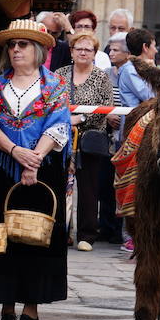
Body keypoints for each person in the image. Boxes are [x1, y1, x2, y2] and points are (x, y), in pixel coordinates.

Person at [0, 19, 71, 320]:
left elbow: (59, 124)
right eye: (12, 45)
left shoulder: (54, 86)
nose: (16, 50)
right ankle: (6, 308)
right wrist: (15, 151)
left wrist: (35, 159)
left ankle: (30, 311)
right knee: (4, 236)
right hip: (3, 169)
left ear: (38, 51)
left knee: (37, 238)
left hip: (43, 173)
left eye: (23, 45)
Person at [55, 30, 116, 251]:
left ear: (94, 53)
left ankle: (86, 235)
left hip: (90, 138)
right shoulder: (60, 74)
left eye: (87, 49)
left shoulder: (101, 77)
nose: (82, 52)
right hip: (61, 137)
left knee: (89, 189)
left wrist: (80, 117)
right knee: (60, 185)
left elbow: (107, 107)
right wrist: (66, 119)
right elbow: (51, 103)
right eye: (78, 48)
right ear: (71, 51)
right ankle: (61, 232)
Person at [117, 27, 157, 110]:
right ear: (145, 47)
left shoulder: (137, 67)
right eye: (154, 46)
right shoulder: (130, 70)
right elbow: (150, 97)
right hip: (135, 120)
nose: (156, 51)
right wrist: (154, 71)